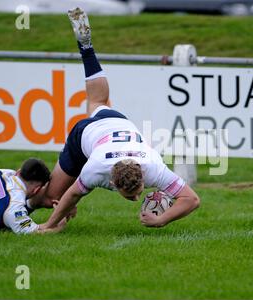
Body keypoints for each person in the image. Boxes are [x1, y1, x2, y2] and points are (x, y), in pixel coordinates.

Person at [33, 7, 200, 232]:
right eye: (132, 194)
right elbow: (73, 194)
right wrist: (50, 225)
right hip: (86, 134)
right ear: (111, 183)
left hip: (114, 122)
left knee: (97, 100)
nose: (138, 197)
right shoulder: (96, 170)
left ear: (142, 174)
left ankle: (86, 47)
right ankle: (17, 206)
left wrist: (162, 219)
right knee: (51, 196)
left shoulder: (152, 166)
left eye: (138, 190)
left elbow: (192, 200)